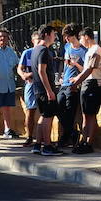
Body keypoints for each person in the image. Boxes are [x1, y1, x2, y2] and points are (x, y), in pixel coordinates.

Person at [72, 28, 101, 154]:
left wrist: (77, 82)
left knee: (91, 115)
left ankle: (89, 142)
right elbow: (86, 69)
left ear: (86, 36)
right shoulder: (89, 51)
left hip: (93, 84)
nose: (80, 42)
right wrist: (76, 79)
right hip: (87, 84)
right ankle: (83, 141)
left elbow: (90, 69)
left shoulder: (96, 49)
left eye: (81, 38)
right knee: (85, 115)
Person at [31, 25, 63, 156]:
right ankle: (48, 146)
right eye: (53, 34)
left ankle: (38, 145)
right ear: (46, 35)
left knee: (43, 116)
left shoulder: (35, 49)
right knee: (48, 118)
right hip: (45, 90)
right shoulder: (44, 50)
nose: (55, 37)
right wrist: (49, 91)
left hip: (38, 89)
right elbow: (41, 71)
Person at [58, 26, 86, 149]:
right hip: (64, 82)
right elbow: (65, 64)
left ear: (73, 36)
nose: (66, 39)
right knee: (58, 106)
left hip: (73, 84)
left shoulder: (83, 51)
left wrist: (75, 64)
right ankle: (72, 133)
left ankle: (66, 137)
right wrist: (61, 75)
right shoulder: (67, 47)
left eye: (67, 37)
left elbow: (85, 69)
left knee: (70, 113)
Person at [0, 28, 21, 138]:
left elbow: (17, 65)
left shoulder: (11, 52)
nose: (2, 38)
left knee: (7, 107)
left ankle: (7, 129)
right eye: (0, 36)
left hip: (9, 84)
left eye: (5, 36)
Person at [18, 31, 41, 147]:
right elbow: (20, 68)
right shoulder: (27, 53)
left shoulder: (45, 52)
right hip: (30, 84)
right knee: (30, 111)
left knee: (44, 112)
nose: (39, 42)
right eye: (37, 40)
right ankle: (29, 136)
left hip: (42, 84)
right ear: (33, 41)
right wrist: (24, 75)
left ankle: (42, 138)